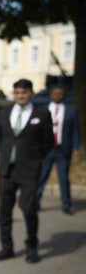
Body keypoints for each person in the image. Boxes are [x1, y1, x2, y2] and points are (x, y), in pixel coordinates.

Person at [0, 79, 53, 263]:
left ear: (31, 94)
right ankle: (6, 247)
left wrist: (34, 160)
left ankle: (31, 247)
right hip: (6, 171)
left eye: (24, 92)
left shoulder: (42, 113)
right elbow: (0, 138)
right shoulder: (4, 112)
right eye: (17, 92)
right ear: (14, 94)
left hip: (28, 171)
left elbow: (48, 143)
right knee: (4, 212)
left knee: (29, 209)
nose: (20, 96)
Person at [35, 84, 80, 215]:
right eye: (55, 93)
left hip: (63, 149)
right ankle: (36, 202)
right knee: (42, 176)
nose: (57, 96)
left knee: (64, 178)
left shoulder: (71, 110)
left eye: (60, 93)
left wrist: (75, 148)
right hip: (46, 149)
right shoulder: (43, 109)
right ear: (50, 94)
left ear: (64, 95)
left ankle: (66, 205)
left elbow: (76, 130)